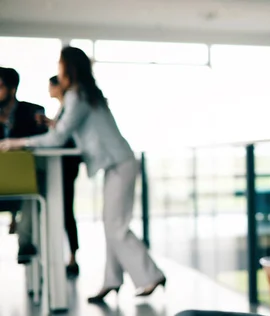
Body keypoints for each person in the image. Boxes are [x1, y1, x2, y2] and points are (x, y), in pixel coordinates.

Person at [0, 47, 166, 302]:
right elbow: (72, 129)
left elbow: (58, 139)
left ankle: (151, 275)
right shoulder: (85, 94)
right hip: (117, 164)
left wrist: (18, 143)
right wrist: (53, 124)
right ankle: (112, 281)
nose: (58, 70)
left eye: (60, 64)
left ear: (70, 68)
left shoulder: (77, 96)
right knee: (112, 224)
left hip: (118, 164)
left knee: (116, 226)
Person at [0, 67, 48, 264]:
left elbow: (43, 140)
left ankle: (25, 243)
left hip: (23, 184)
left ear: (12, 89)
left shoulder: (32, 112)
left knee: (34, 192)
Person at [46, 75, 82, 277]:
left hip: (66, 165)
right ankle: (66, 255)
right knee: (64, 209)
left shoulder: (70, 105)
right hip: (62, 165)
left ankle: (72, 256)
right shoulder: (63, 109)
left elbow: (63, 135)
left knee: (66, 208)